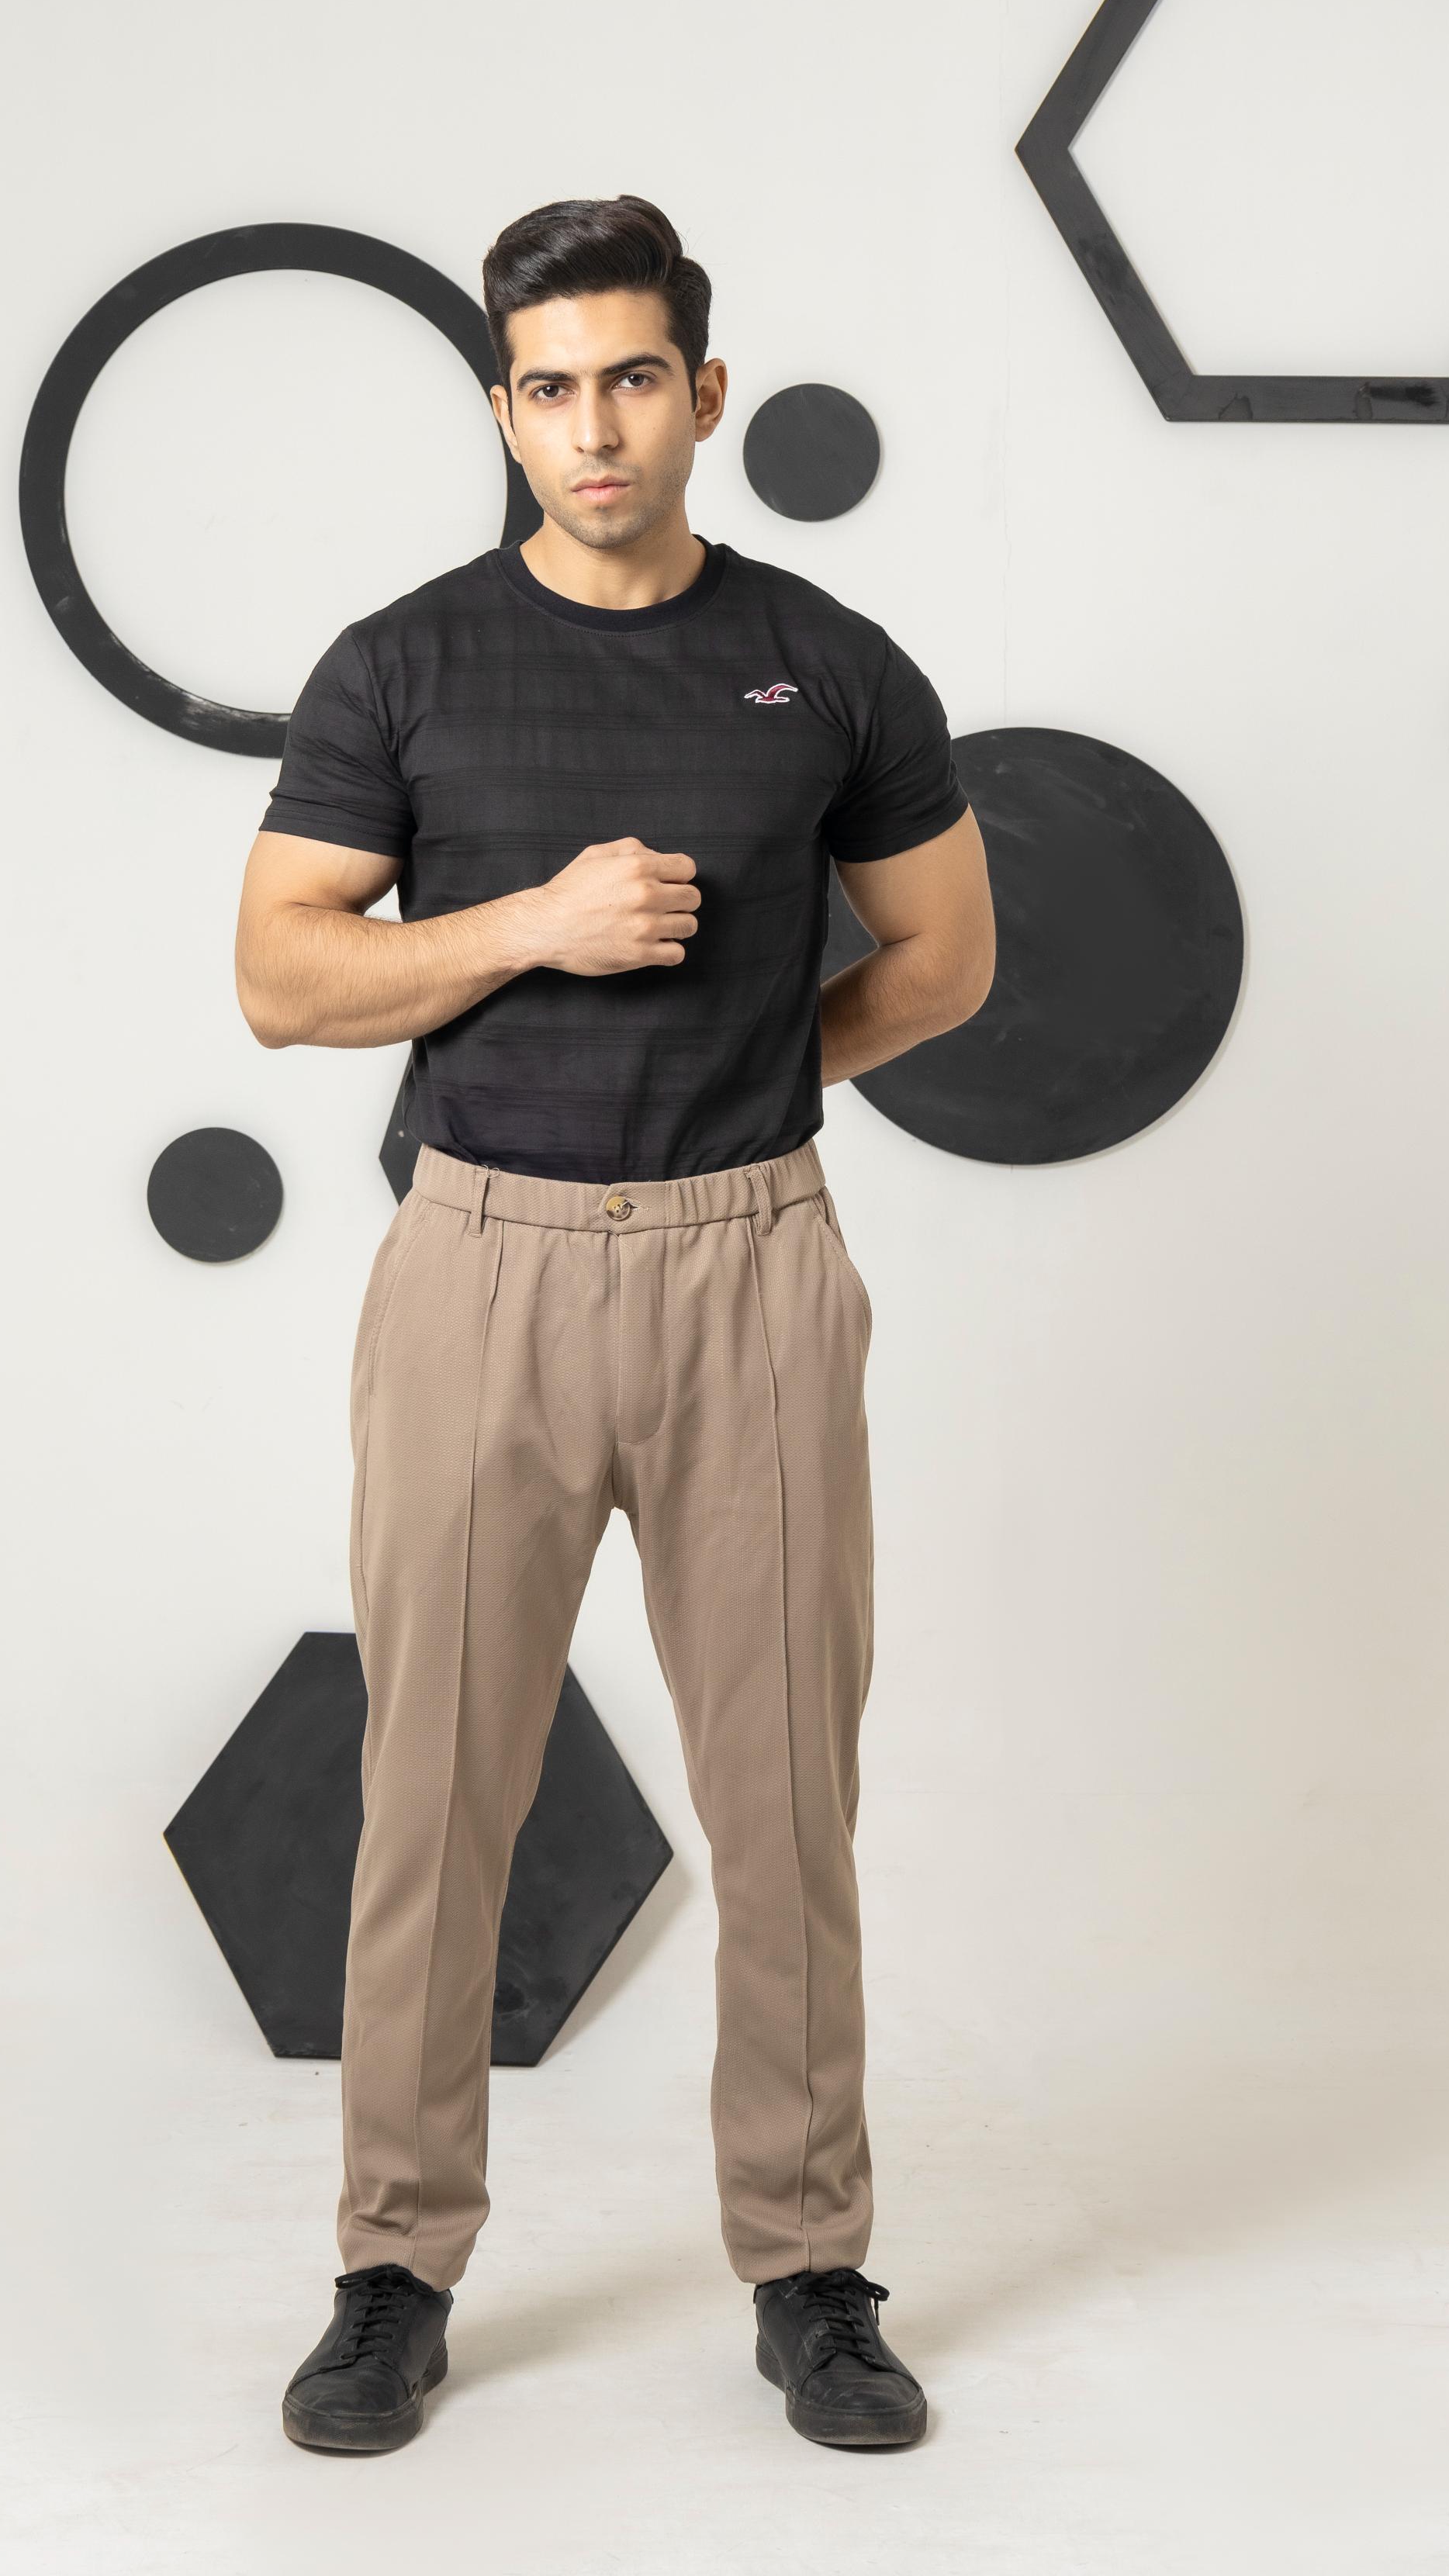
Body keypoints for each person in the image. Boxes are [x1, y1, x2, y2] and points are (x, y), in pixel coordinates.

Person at [233, 193, 995, 2454]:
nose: (595, 428)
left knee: (785, 1795)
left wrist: (757, 1066)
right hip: (482, 1263)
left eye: (633, 379)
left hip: (751, 1262)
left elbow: (947, 963)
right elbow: (282, 978)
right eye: (552, 388)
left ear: (704, 395)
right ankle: (393, 2266)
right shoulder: (404, 665)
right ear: (504, 409)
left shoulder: (831, 662)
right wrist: (529, 926)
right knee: (436, 1788)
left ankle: (812, 2266)